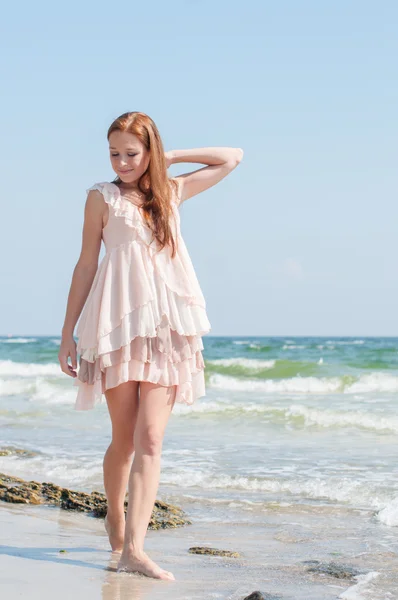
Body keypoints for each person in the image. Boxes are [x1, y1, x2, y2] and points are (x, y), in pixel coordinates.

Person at [58, 111, 243, 580]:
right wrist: (68, 332)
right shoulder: (101, 198)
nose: (121, 162)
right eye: (114, 153)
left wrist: (169, 158)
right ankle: (116, 517)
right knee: (123, 439)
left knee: (152, 439)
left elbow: (232, 158)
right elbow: (85, 266)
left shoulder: (172, 192)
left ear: (150, 151)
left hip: (167, 327)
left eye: (132, 153)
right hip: (115, 327)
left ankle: (134, 550)